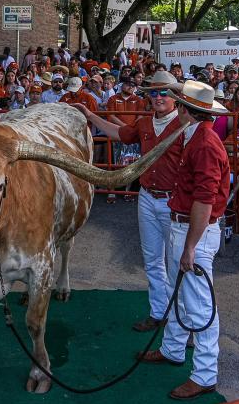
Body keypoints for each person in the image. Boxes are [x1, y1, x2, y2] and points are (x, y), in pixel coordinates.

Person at [138, 80, 229, 400]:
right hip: (185, 228)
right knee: (183, 295)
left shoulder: (203, 144)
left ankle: (205, 374)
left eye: (178, 103)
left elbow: (205, 201)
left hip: (193, 232)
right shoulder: (198, 137)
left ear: (184, 111)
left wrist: (190, 246)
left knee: (200, 304)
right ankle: (174, 349)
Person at [77, 71, 183, 331]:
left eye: (163, 92)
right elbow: (121, 134)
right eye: (153, 93)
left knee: (178, 263)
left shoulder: (184, 124)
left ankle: (182, 322)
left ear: (175, 96)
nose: (158, 97)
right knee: (152, 259)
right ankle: (159, 313)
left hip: (175, 201)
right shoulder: (146, 123)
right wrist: (91, 117)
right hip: (147, 197)